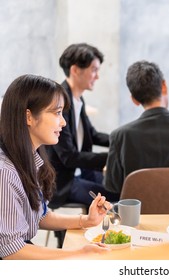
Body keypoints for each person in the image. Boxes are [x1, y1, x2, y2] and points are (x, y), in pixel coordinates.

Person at [0, 74, 111, 259]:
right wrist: (77, 254)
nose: (63, 122)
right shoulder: (5, 173)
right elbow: (12, 251)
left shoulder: (29, 159)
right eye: (57, 112)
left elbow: (41, 216)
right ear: (28, 116)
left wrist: (87, 220)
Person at [104, 60, 169, 194]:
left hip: (139, 213)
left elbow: (114, 185)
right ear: (164, 85)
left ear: (134, 99)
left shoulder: (120, 135)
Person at [46, 43, 119, 209]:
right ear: (75, 70)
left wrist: (121, 140)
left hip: (80, 172)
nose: (97, 76)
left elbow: (92, 135)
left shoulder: (77, 99)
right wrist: (113, 157)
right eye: (94, 70)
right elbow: (69, 157)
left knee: (121, 186)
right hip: (64, 181)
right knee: (118, 196)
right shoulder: (59, 103)